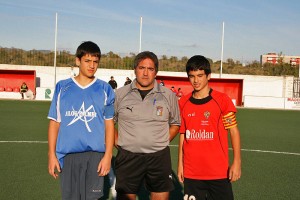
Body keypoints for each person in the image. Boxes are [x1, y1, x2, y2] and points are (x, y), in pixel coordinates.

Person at [47, 41, 115, 200]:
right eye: (87, 61)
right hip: (68, 156)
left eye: (95, 61)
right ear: (78, 61)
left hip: (95, 156)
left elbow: (109, 124)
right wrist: (51, 155)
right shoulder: (62, 87)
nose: (92, 65)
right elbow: (55, 123)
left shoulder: (105, 89)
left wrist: (108, 156)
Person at [114, 51, 181, 200]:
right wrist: (119, 142)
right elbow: (108, 123)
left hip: (159, 157)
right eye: (141, 68)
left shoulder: (168, 95)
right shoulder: (119, 94)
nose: (145, 73)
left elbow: (176, 123)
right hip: (128, 157)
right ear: (135, 69)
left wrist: (161, 141)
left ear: (156, 72)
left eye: (150, 69)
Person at [177, 55, 241, 200]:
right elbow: (183, 135)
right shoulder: (183, 102)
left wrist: (237, 162)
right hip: (192, 173)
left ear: (209, 76)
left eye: (200, 75)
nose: (196, 80)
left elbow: (234, 131)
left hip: (218, 172)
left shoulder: (222, 100)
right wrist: (180, 165)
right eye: (192, 76)